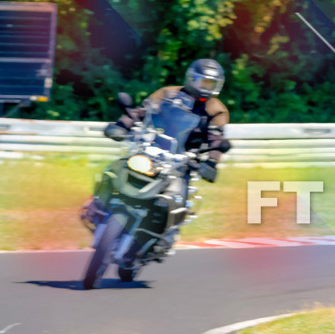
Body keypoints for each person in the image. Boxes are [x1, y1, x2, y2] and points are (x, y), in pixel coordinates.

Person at [81, 59, 230, 227]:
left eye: (212, 84)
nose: (206, 88)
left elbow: (216, 138)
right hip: (151, 147)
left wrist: (211, 163)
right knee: (115, 170)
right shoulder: (168, 93)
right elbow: (142, 112)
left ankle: (165, 234)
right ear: (191, 78)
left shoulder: (217, 110)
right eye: (204, 82)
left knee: (175, 198)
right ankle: (96, 205)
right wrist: (122, 125)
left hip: (183, 160)